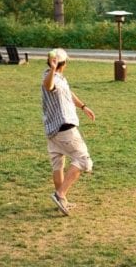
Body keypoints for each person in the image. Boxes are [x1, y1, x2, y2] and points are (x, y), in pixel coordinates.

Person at [41, 48, 95, 216]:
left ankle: (61, 202)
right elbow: (48, 86)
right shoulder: (50, 77)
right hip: (64, 128)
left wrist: (83, 107)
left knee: (58, 165)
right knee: (84, 160)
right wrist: (52, 69)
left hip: (52, 130)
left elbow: (68, 94)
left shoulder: (60, 78)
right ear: (63, 64)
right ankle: (60, 194)